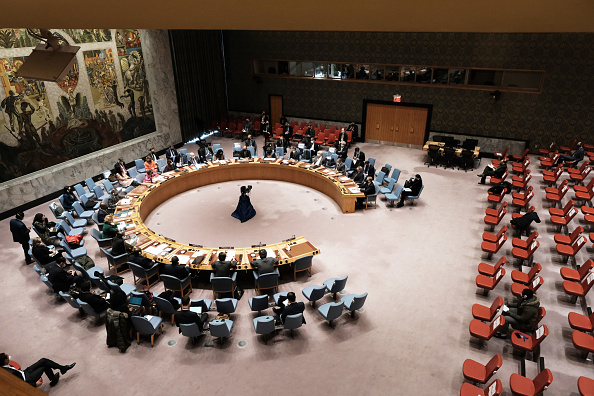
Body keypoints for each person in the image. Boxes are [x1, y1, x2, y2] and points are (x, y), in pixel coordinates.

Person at [1, 352, 75, 388]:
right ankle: (55, 378)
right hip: (27, 378)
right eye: (7, 358)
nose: (9, 357)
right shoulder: (7, 373)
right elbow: (18, 384)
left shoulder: (3, 365)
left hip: (24, 372)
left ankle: (63, 368)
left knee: (43, 360)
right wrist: (34, 385)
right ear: (5, 361)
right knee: (44, 366)